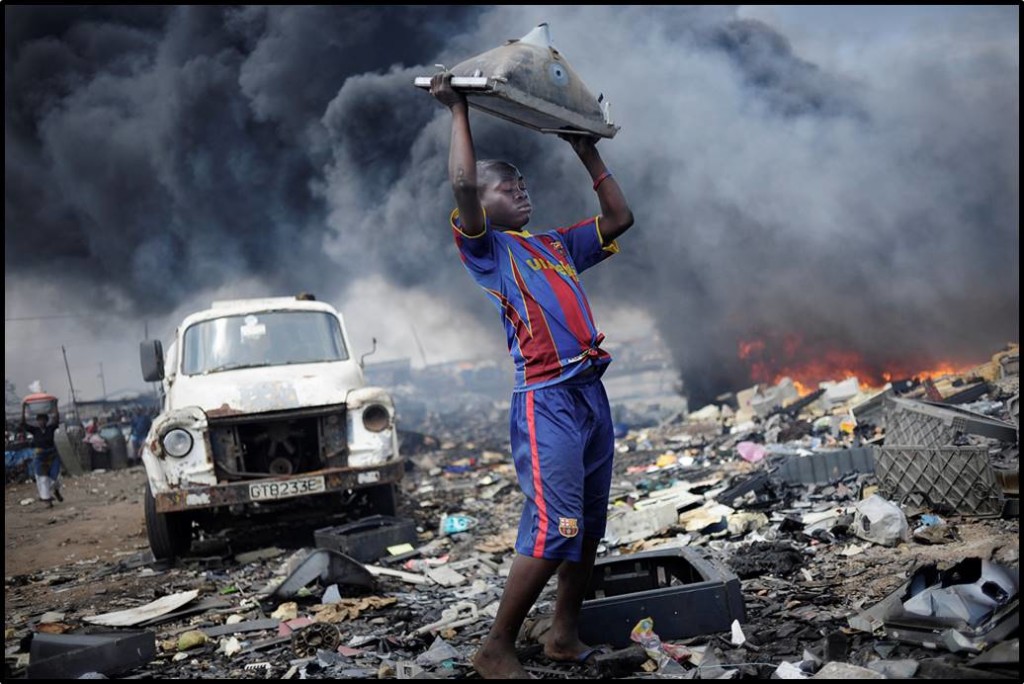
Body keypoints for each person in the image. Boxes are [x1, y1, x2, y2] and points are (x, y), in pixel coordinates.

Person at [430, 72, 635, 679]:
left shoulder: (553, 245)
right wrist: (458, 107)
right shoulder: (486, 248)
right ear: (482, 203)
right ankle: (496, 646)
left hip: (589, 397)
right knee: (556, 526)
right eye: (508, 186)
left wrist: (585, 148)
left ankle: (563, 637)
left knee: (588, 525)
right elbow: (463, 179)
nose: (521, 191)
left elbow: (620, 217)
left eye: (523, 184)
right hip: (546, 401)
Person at [21, 413, 63, 507]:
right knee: (43, 478)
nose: (41, 422)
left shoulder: (50, 429)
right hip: (40, 456)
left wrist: (55, 405)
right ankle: (47, 500)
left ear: (46, 421)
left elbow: (56, 419)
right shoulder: (35, 430)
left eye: (43, 420)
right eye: (39, 420)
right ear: (37, 421)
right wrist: (23, 408)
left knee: (55, 477)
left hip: (52, 455)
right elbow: (23, 424)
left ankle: (56, 491)